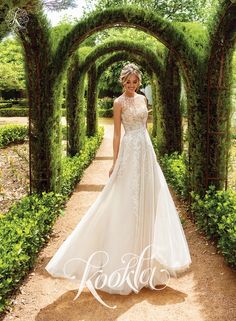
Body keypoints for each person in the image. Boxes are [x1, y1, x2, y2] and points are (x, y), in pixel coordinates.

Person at [45, 63, 192, 308]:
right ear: (122, 82)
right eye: (128, 82)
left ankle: (147, 268)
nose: (132, 86)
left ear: (138, 82)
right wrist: (115, 162)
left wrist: (152, 154)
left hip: (146, 152)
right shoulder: (118, 103)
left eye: (135, 82)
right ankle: (124, 266)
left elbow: (146, 129)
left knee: (149, 202)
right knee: (126, 202)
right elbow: (116, 134)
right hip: (129, 151)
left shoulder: (144, 99)